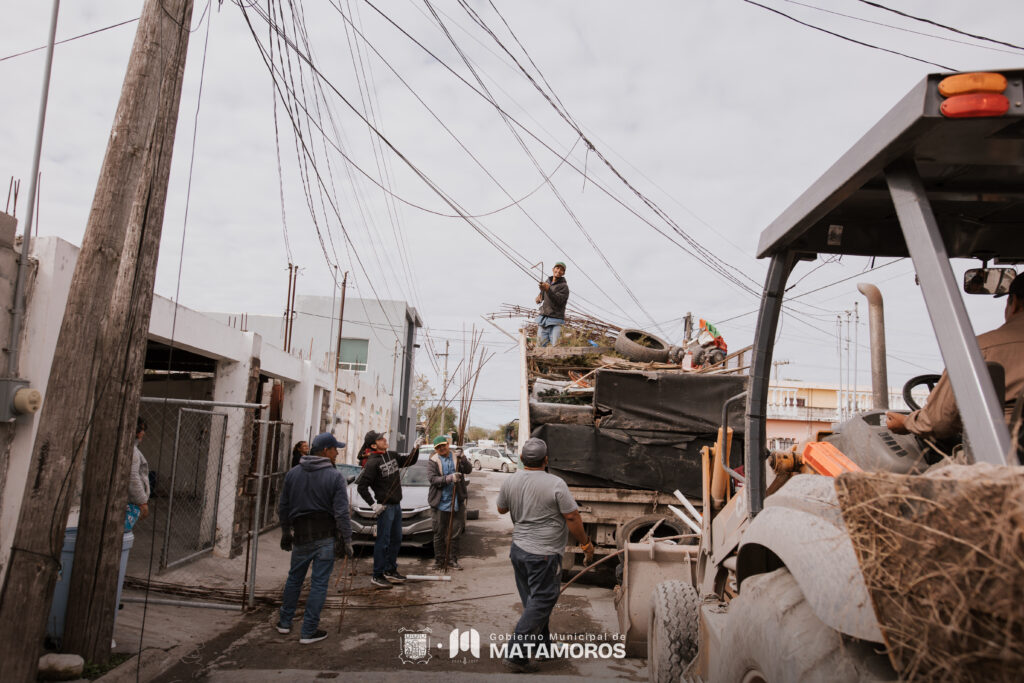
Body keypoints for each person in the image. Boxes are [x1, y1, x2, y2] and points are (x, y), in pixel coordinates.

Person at [886, 271, 1024, 442]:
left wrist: (907, 422)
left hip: (999, 457)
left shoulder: (982, 348)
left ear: (1015, 302)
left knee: (920, 469)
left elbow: (937, 423)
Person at [496, 438, 594, 673]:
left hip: (519, 550)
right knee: (541, 601)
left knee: (533, 600)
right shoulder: (556, 484)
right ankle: (516, 655)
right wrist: (586, 544)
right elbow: (572, 517)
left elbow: (501, 508)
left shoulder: (510, 481)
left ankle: (543, 647)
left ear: (521, 459)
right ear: (546, 460)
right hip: (544, 554)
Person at [276, 432, 353, 644]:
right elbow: (341, 512)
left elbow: (284, 506)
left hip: (300, 535)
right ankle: (308, 631)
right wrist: (346, 539)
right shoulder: (334, 476)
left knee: (295, 579)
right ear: (326, 451)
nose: (337, 453)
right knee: (319, 584)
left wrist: (285, 531)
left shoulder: (293, 473)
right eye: (335, 449)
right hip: (325, 537)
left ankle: (284, 622)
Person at [355, 431, 421, 589]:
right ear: (373, 445)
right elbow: (362, 487)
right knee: (383, 542)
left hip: (397, 505)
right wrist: (373, 504)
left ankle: (390, 570)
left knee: (396, 539)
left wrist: (415, 448)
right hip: (385, 507)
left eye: (383, 437)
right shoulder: (372, 463)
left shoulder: (391, 455)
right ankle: (377, 575)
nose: (385, 440)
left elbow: (408, 461)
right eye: (380, 439)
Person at [426, 436, 473, 570]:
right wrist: (449, 478)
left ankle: (453, 560)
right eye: (438, 447)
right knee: (439, 533)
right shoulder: (433, 460)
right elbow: (432, 479)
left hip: (456, 501)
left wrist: (463, 457)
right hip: (440, 501)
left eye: (443, 445)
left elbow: (468, 470)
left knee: (455, 533)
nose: (442, 448)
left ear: (448, 444)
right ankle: (439, 561)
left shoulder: (456, 456)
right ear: (435, 449)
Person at [534, 262, 569, 347]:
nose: (559, 270)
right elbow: (542, 296)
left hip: (556, 321)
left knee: (556, 347)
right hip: (544, 320)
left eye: (561, 270)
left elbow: (558, 301)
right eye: (557, 268)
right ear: (553, 269)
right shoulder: (547, 282)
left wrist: (548, 290)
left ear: (563, 273)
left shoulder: (564, 287)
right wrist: (539, 297)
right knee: (540, 347)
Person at [126, 417, 150, 530]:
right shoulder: (133, 451)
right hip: (129, 500)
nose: (143, 433)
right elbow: (133, 476)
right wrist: (142, 501)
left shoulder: (132, 448)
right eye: (142, 429)